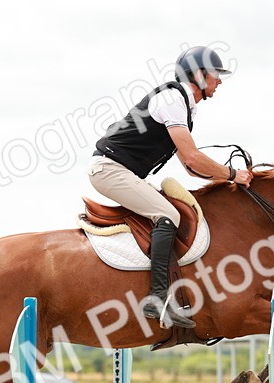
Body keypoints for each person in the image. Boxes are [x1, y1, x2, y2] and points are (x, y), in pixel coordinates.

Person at [90, 45, 253, 329]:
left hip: (119, 170)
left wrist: (228, 183)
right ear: (199, 75)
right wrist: (232, 174)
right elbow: (192, 158)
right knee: (169, 216)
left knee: (178, 207)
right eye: (216, 74)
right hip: (110, 170)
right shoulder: (171, 99)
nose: (220, 81)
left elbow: (190, 167)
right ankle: (157, 298)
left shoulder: (184, 106)